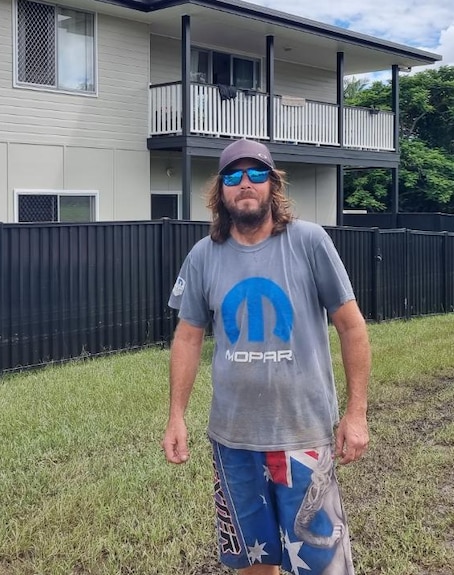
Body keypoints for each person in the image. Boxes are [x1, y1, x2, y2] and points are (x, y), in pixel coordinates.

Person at [161, 139, 371, 575]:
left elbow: (351, 326)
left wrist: (356, 414)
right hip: (233, 441)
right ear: (220, 191)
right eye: (233, 176)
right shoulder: (204, 256)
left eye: (256, 174)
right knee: (253, 564)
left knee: (320, 564)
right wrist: (176, 416)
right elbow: (187, 337)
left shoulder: (309, 242)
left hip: (303, 438)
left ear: (272, 185)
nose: (245, 183)